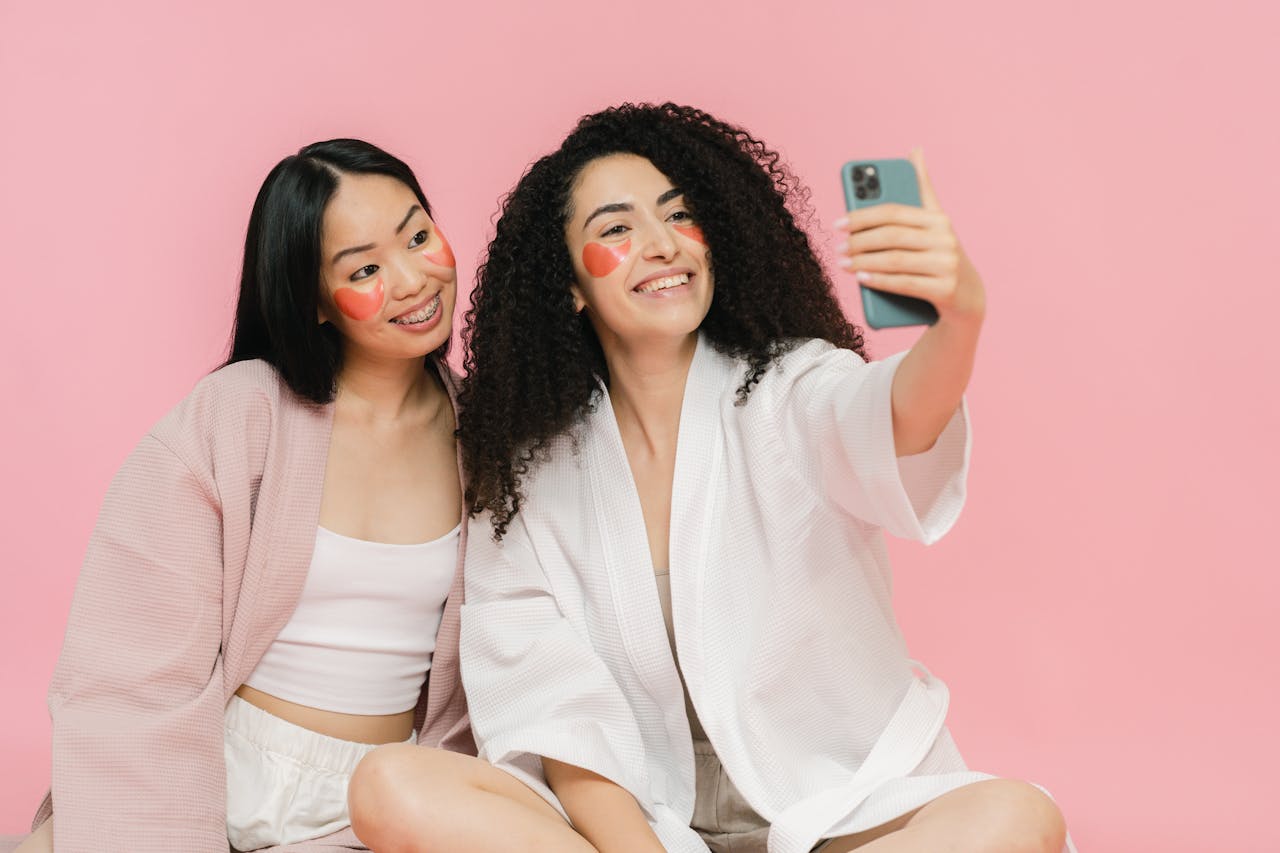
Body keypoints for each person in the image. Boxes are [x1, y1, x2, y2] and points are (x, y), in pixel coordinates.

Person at [353, 103, 1072, 852]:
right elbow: (554, 711)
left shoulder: (789, 388)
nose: (663, 244)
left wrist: (958, 322)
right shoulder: (528, 471)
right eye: (617, 229)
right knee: (392, 785)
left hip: (836, 814)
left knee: (1017, 816)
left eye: (679, 215)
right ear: (569, 286)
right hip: (645, 826)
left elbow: (893, 417)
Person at [13, 139, 484, 852]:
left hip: (377, 803)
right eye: (364, 268)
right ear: (313, 300)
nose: (414, 279)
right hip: (206, 766)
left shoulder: (488, 436)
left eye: (418, 236)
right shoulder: (235, 415)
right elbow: (136, 659)